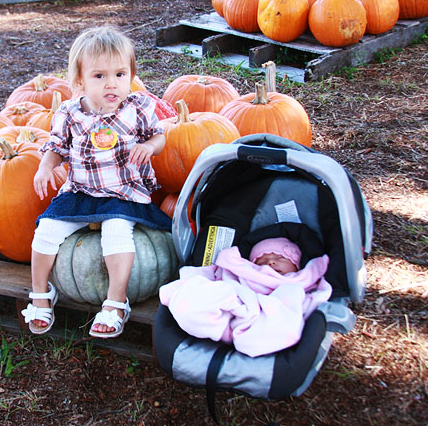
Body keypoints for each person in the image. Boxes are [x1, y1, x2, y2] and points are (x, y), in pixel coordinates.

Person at [21, 25, 171, 339]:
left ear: (131, 75)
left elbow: (159, 136)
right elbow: (56, 147)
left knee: (117, 232)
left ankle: (116, 302)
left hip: (123, 192)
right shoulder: (70, 113)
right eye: (99, 76)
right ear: (80, 81)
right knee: (46, 230)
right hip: (81, 190)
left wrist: (149, 147)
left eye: (120, 74)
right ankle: (40, 293)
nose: (111, 83)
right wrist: (45, 168)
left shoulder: (137, 108)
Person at [158, 236, 332, 357]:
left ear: (297, 266)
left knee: (288, 307)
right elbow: (222, 277)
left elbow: (309, 297)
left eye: (280, 258)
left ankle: (253, 334)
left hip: (268, 312)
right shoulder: (243, 271)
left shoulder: (301, 280)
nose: (270, 262)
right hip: (235, 305)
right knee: (193, 299)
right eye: (262, 260)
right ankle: (226, 328)